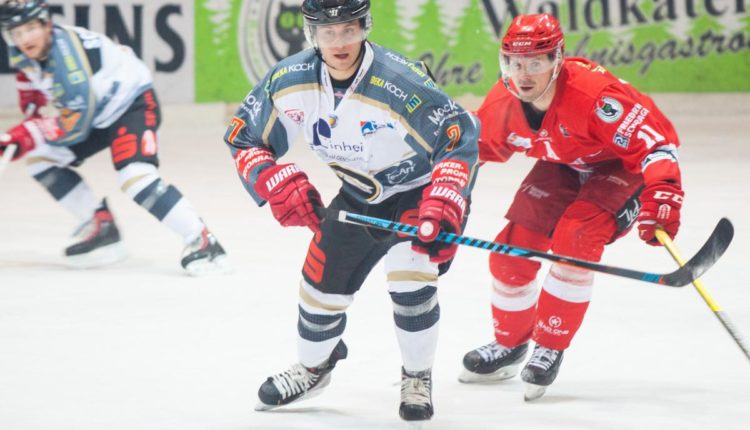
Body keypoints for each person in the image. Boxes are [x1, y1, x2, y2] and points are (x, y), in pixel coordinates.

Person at [224, 0, 479, 421]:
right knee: (319, 290)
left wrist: (446, 197)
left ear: (365, 26)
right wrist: (271, 179)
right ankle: (314, 368)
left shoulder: (399, 82)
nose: (339, 42)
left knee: (410, 277)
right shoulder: (290, 81)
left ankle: (417, 375)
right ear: (312, 34)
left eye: (349, 29)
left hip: (419, 193)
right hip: (358, 196)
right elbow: (244, 138)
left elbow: (458, 137)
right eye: (328, 32)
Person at [459, 13, 683, 401]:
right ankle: (511, 343)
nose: (523, 75)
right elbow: (467, 152)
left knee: (575, 238)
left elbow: (656, 145)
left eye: (535, 63)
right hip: (563, 163)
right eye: (514, 63)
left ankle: (549, 345)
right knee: (509, 253)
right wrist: (427, 186)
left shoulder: (595, 96)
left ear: (557, 59)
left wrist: (663, 193)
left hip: (619, 167)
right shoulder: (503, 102)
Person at [0, 0, 227, 275]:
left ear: (47, 24)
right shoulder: (26, 52)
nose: (24, 39)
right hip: (95, 112)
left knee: (135, 177)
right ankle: (102, 227)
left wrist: (24, 135)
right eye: (16, 32)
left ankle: (203, 240)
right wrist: (25, 126)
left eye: (30, 29)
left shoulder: (68, 61)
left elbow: (74, 123)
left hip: (130, 105)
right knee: (41, 159)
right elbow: (34, 93)